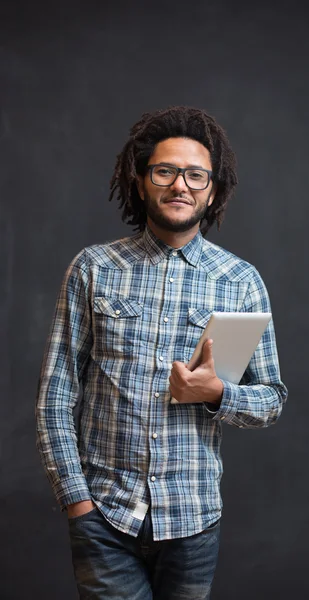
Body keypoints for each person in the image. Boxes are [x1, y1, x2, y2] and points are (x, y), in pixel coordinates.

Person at [36, 106, 288, 600]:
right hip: (104, 516)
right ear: (141, 181)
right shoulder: (94, 268)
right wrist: (76, 501)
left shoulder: (240, 281)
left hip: (194, 519)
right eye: (165, 171)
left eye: (196, 175)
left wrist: (217, 393)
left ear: (212, 190)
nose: (180, 185)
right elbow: (55, 395)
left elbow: (272, 399)